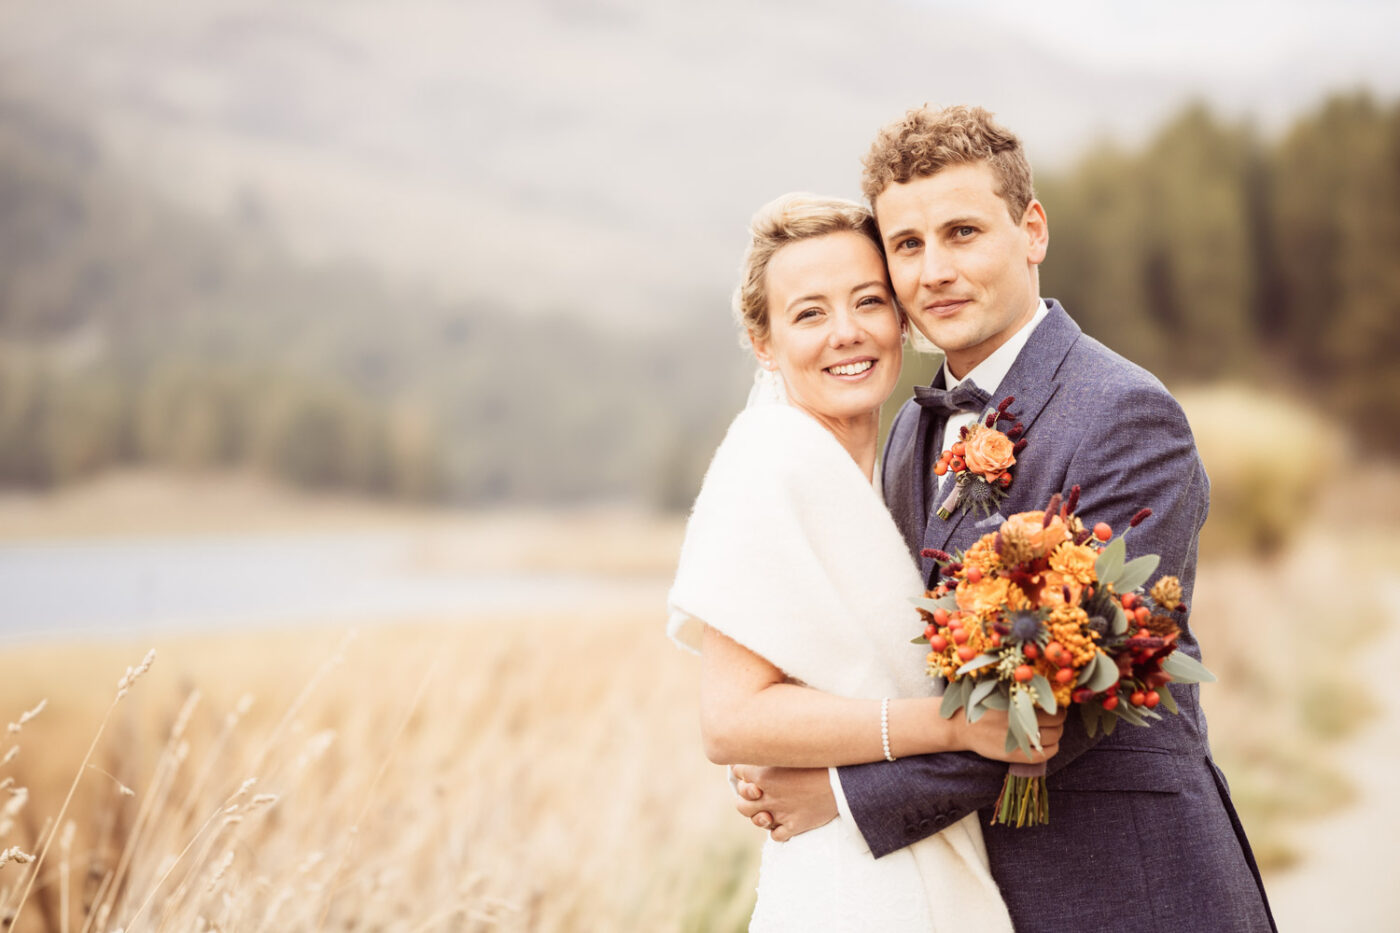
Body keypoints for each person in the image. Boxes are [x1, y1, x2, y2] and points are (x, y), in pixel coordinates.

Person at [730, 106, 1277, 932]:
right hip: (974, 888)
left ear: (1032, 230)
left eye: (962, 232)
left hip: (1129, 880)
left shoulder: (1127, 414)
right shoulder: (912, 425)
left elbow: (1073, 704)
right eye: (908, 246)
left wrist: (843, 790)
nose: (935, 270)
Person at [667, 193, 1066, 930]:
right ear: (764, 340)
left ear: (902, 317)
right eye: (809, 313)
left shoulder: (896, 460)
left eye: (868, 301)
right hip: (853, 883)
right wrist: (950, 726)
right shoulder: (772, 460)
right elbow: (730, 719)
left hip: (917, 853)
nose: (847, 334)